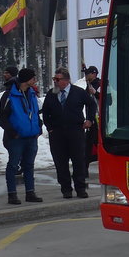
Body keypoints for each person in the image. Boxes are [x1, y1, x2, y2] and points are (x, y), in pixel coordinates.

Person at [42, 68, 97, 198]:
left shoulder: (77, 92)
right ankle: (66, 189)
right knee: (60, 162)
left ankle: (80, 188)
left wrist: (89, 119)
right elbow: (45, 112)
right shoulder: (52, 94)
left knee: (78, 161)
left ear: (66, 80)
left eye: (58, 79)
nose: (55, 82)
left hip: (75, 131)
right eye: (54, 79)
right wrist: (50, 127)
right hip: (57, 133)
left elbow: (91, 104)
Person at [0, 68, 43, 204]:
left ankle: (30, 192)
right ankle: (12, 194)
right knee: (13, 165)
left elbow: (35, 113)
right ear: (26, 79)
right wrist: (13, 132)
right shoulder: (9, 96)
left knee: (29, 165)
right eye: (33, 78)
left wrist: (39, 128)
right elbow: (2, 117)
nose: (35, 80)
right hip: (16, 137)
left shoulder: (31, 94)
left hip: (31, 136)